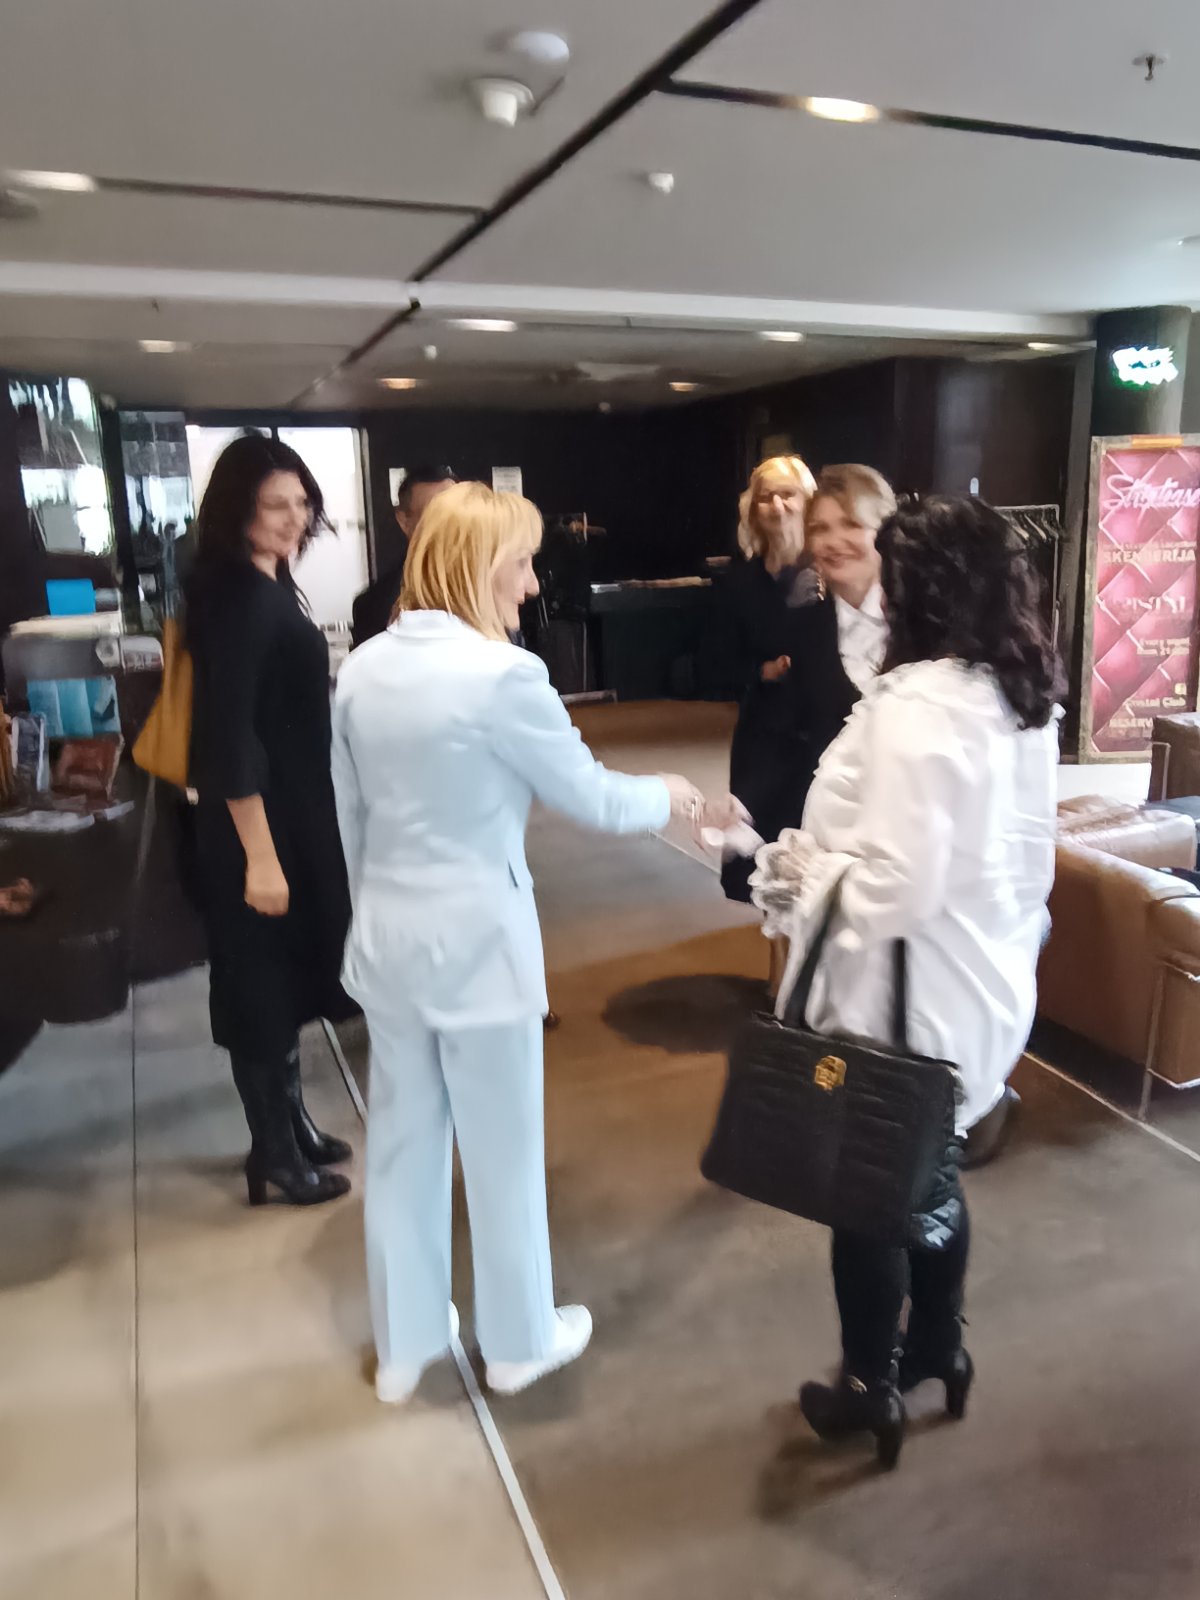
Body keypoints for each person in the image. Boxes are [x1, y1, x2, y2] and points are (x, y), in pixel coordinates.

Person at [331, 481, 729, 1402]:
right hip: (480, 947)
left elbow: (349, 818)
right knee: (502, 1149)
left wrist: (366, 918)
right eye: (522, 562)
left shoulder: (363, 668)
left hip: (387, 939)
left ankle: (404, 1346)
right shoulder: (503, 677)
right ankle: (517, 1341)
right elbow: (590, 796)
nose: (533, 582)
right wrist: (672, 792)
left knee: (400, 1148)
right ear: (478, 566)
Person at [750, 495, 1061, 1468]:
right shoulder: (1015, 692)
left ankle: (866, 1383)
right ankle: (936, 1349)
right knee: (933, 1171)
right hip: (979, 983)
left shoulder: (918, 708)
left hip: (902, 997)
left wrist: (800, 872)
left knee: (866, 1195)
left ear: (921, 586)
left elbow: (896, 889)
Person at [186, 434, 355, 1208]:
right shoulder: (239, 602)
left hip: (291, 814)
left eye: (302, 503)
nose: (294, 518)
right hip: (257, 827)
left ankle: (290, 1125)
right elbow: (229, 740)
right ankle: (274, 1154)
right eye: (274, 505)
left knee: (282, 978)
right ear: (237, 511)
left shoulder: (265, 584)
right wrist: (260, 856)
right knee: (257, 985)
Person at [351, 464, 456, 647]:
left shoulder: (496, 585)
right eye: (433, 514)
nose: (447, 524)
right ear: (404, 521)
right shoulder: (375, 605)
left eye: (455, 513)